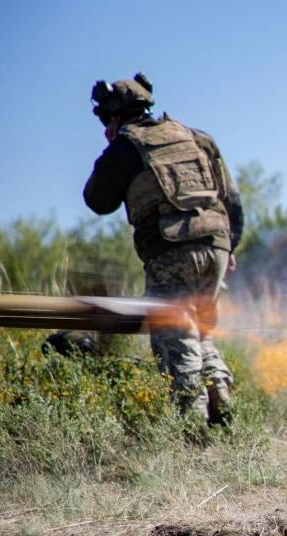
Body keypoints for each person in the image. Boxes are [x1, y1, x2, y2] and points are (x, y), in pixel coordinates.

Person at [83, 73, 242, 425]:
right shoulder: (196, 137)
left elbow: (97, 199)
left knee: (174, 335)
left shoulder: (128, 145)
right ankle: (219, 392)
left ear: (114, 116)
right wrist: (229, 248)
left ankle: (193, 428)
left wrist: (114, 148)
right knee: (198, 328)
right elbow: (232, 201)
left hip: (172, 249)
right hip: (216, 247)